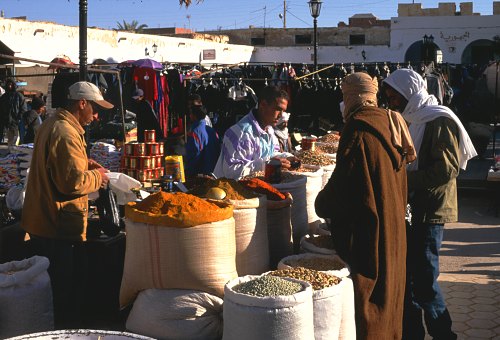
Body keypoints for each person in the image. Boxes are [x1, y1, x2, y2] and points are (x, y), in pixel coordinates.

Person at [315, 72, 416, 339]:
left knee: (370, 305)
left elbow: (344, 187)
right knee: (391, 298)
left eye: (344, 97)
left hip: (371, 233)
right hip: (394, 228)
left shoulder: (358, 128)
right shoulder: (391, 121)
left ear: (351, 97)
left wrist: (321, 204)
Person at [382, 69, 477, 340]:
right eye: (389, 97)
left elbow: (445, 170)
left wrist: (402, 180)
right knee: (408, 281)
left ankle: (444, 334)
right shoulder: (412, 118)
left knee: (424, 282)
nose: (392, 102)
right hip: (413, 208)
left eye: (395, 97)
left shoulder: (438, 119)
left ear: (408, 93)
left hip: (431, 210)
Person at [21, 81, 113, 329]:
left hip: (44, 221)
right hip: (57, 227)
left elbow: (58, 167)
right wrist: (99, 178)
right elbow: (71, 184)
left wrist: (85, 162)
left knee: (57, 293)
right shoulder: (65, 132)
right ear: (81, 103)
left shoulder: (54, 123)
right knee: (65, 296)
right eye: (94, 109)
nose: (96, 116)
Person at [213, 85, 293, 179]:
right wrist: (265, 165)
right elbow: (232, 172)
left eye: (283, 111)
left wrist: (287, 157)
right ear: (263, 105)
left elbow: (272, 154)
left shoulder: (269, 129)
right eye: (278, 109)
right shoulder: (241, 133)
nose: (281, 115)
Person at [185, 103, 220, 177]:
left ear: (194, 116)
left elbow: (194, 155)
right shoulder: (212, 130)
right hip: (214, 172)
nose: (190, 115)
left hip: (201, 175)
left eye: (191, 113)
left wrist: (188, 172)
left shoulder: (195, 132)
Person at [0, 79, 27, 149]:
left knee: (18, 139)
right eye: (8, 84)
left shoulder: (19, 96)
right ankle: (11, 154)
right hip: (8, 122)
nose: (9, 86)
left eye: (11, 84)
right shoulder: (4, 97)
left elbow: (23, 109)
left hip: (17, 122)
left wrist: (19, 119)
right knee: (10, 140)